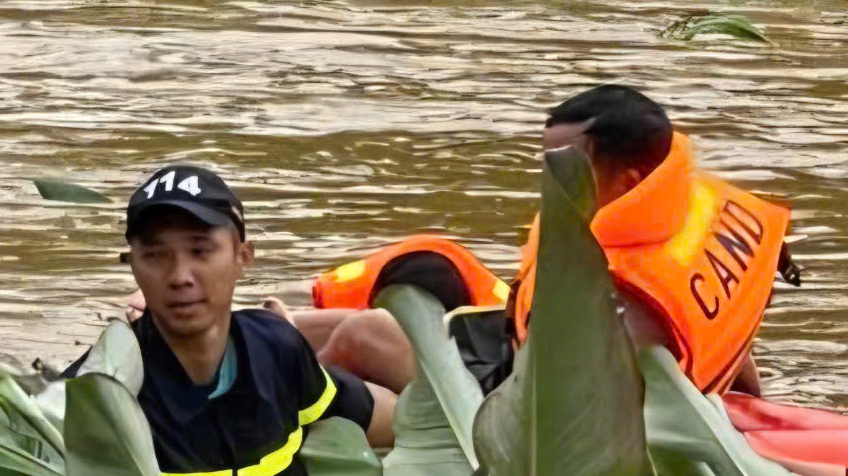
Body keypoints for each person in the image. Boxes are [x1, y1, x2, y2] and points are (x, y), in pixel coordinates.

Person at [294, 84, 794, 399]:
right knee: (421, 272)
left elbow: (574, 412)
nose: (546, 180)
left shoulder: (625, 298)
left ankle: (280, 420)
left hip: (536, 411)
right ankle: (255, 338)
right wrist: (756, 401)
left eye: (563, 166)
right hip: (530, 350)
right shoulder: (691, 206)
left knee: (362, 338)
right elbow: (724, 330)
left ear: (627, 180)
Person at [120, 162, 393, 476]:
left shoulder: (277, 350)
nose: (180, 276)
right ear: (133, 265)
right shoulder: (101, 394)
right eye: (155, 256)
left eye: (200, 251)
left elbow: (383, 419)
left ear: (243, 257)